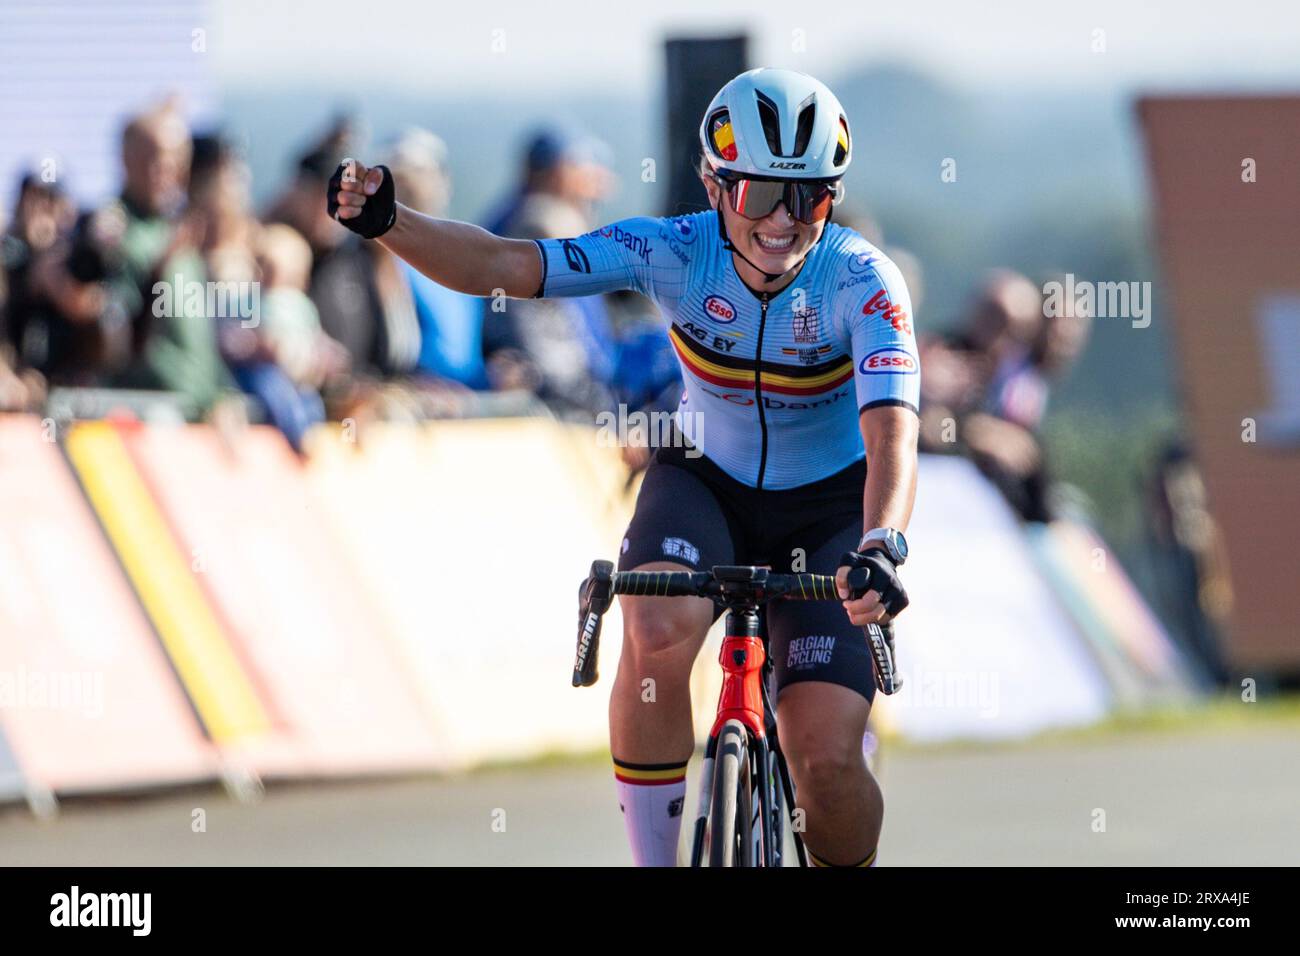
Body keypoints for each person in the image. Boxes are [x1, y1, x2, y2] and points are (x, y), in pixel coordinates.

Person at [327, 68, 919, 868]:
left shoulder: (863, 281)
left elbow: (891, 435)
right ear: (715, 185)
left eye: (808, 198)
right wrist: (391, 222)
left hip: (829, 508)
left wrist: (882, 542)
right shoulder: (671, 251)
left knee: (824, 758)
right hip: (702, 480)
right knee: (654, 624)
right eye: (758, 197)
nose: (782, 222)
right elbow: (509, 263)